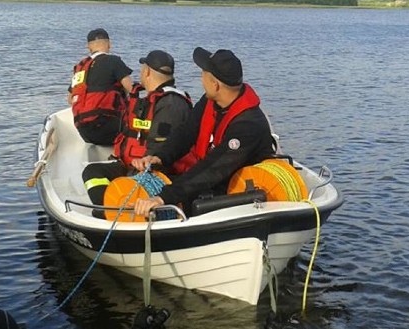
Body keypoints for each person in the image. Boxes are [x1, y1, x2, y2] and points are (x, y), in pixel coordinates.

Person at [131, 47, 276, 217]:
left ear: (215, 84)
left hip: (240, 191)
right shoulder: (211, 101)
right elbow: (186, 132)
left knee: (178, 202)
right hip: (214, 178)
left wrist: (163, 198)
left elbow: (214, 168)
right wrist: (160, 157)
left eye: (203, 74)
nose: (200, 78)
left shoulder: (248, 124)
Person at [81, 50, 192, 214]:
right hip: (133, 164)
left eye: (142, 69)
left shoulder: (171, 104)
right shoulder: (149, 99)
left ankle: (116, 212)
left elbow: (159, 150)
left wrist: (135, 174)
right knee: (92, 173)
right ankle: (112, 208)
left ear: (147, 71)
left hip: (156, 171)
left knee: (100, 205)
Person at [69, 28, 133, 145]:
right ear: (109, 44)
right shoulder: (114, 61)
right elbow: (132, 90)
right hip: (107, 127)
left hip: (83, 131)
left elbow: (70, 99)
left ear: (88, 47)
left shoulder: (80, 67)